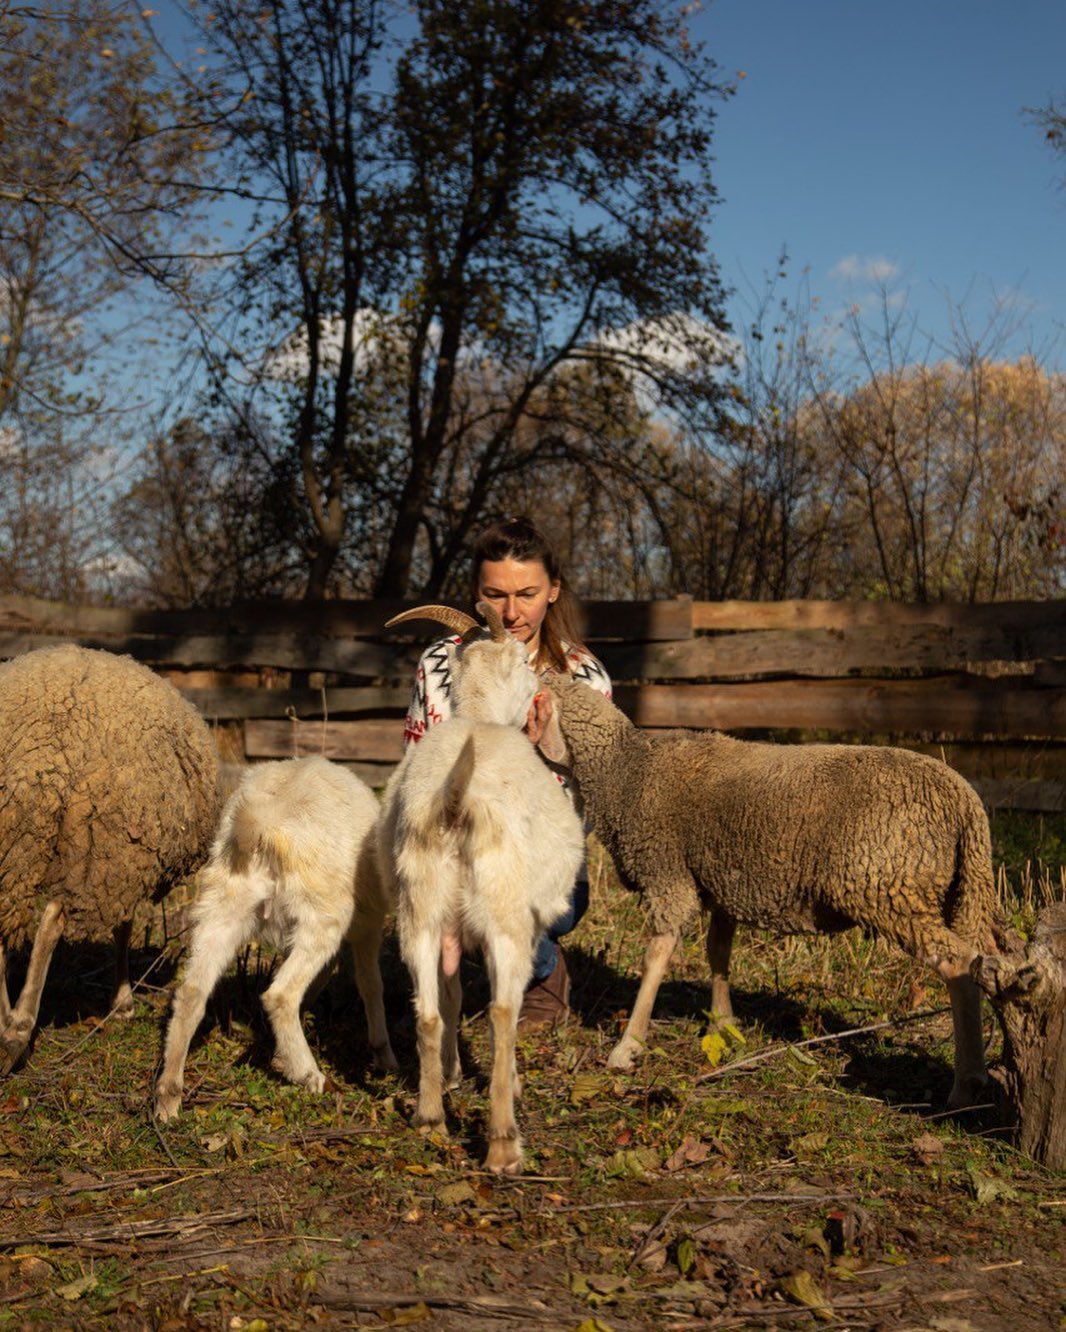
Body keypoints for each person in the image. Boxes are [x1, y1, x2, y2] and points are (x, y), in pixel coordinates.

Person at [401, 516, 612, 1027]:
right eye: (495, 594)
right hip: (457, 828)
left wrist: (548, 749)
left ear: (554, 591)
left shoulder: (583, 677)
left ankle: (541, 967)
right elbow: (417, 765)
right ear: (476, 594)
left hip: (538, 841)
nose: (512, 612)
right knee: (448, 888)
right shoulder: (439, 665)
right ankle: (445, 981)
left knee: (525, 903)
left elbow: (597, 791)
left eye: (527, 593)